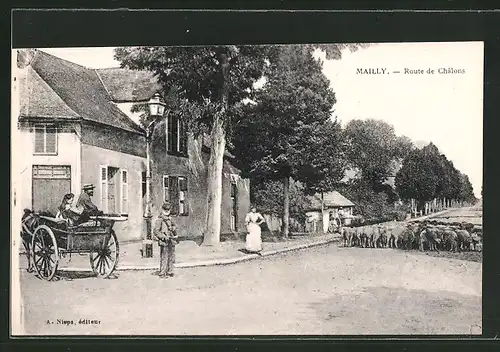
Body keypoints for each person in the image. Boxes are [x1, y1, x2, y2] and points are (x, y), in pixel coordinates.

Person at [153, 202, 179, 278]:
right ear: (163, 209)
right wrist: (163, 237)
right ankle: (162, 273)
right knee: (164, 257)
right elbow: (156, 231)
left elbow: (175, 226)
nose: (167, 211)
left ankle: (170, 271)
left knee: (171, 256)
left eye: (168, 209)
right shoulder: (160, 219)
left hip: (171, 240)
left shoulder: (170, 218)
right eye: (165, 209)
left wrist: (173, 228)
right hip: (164, 241)